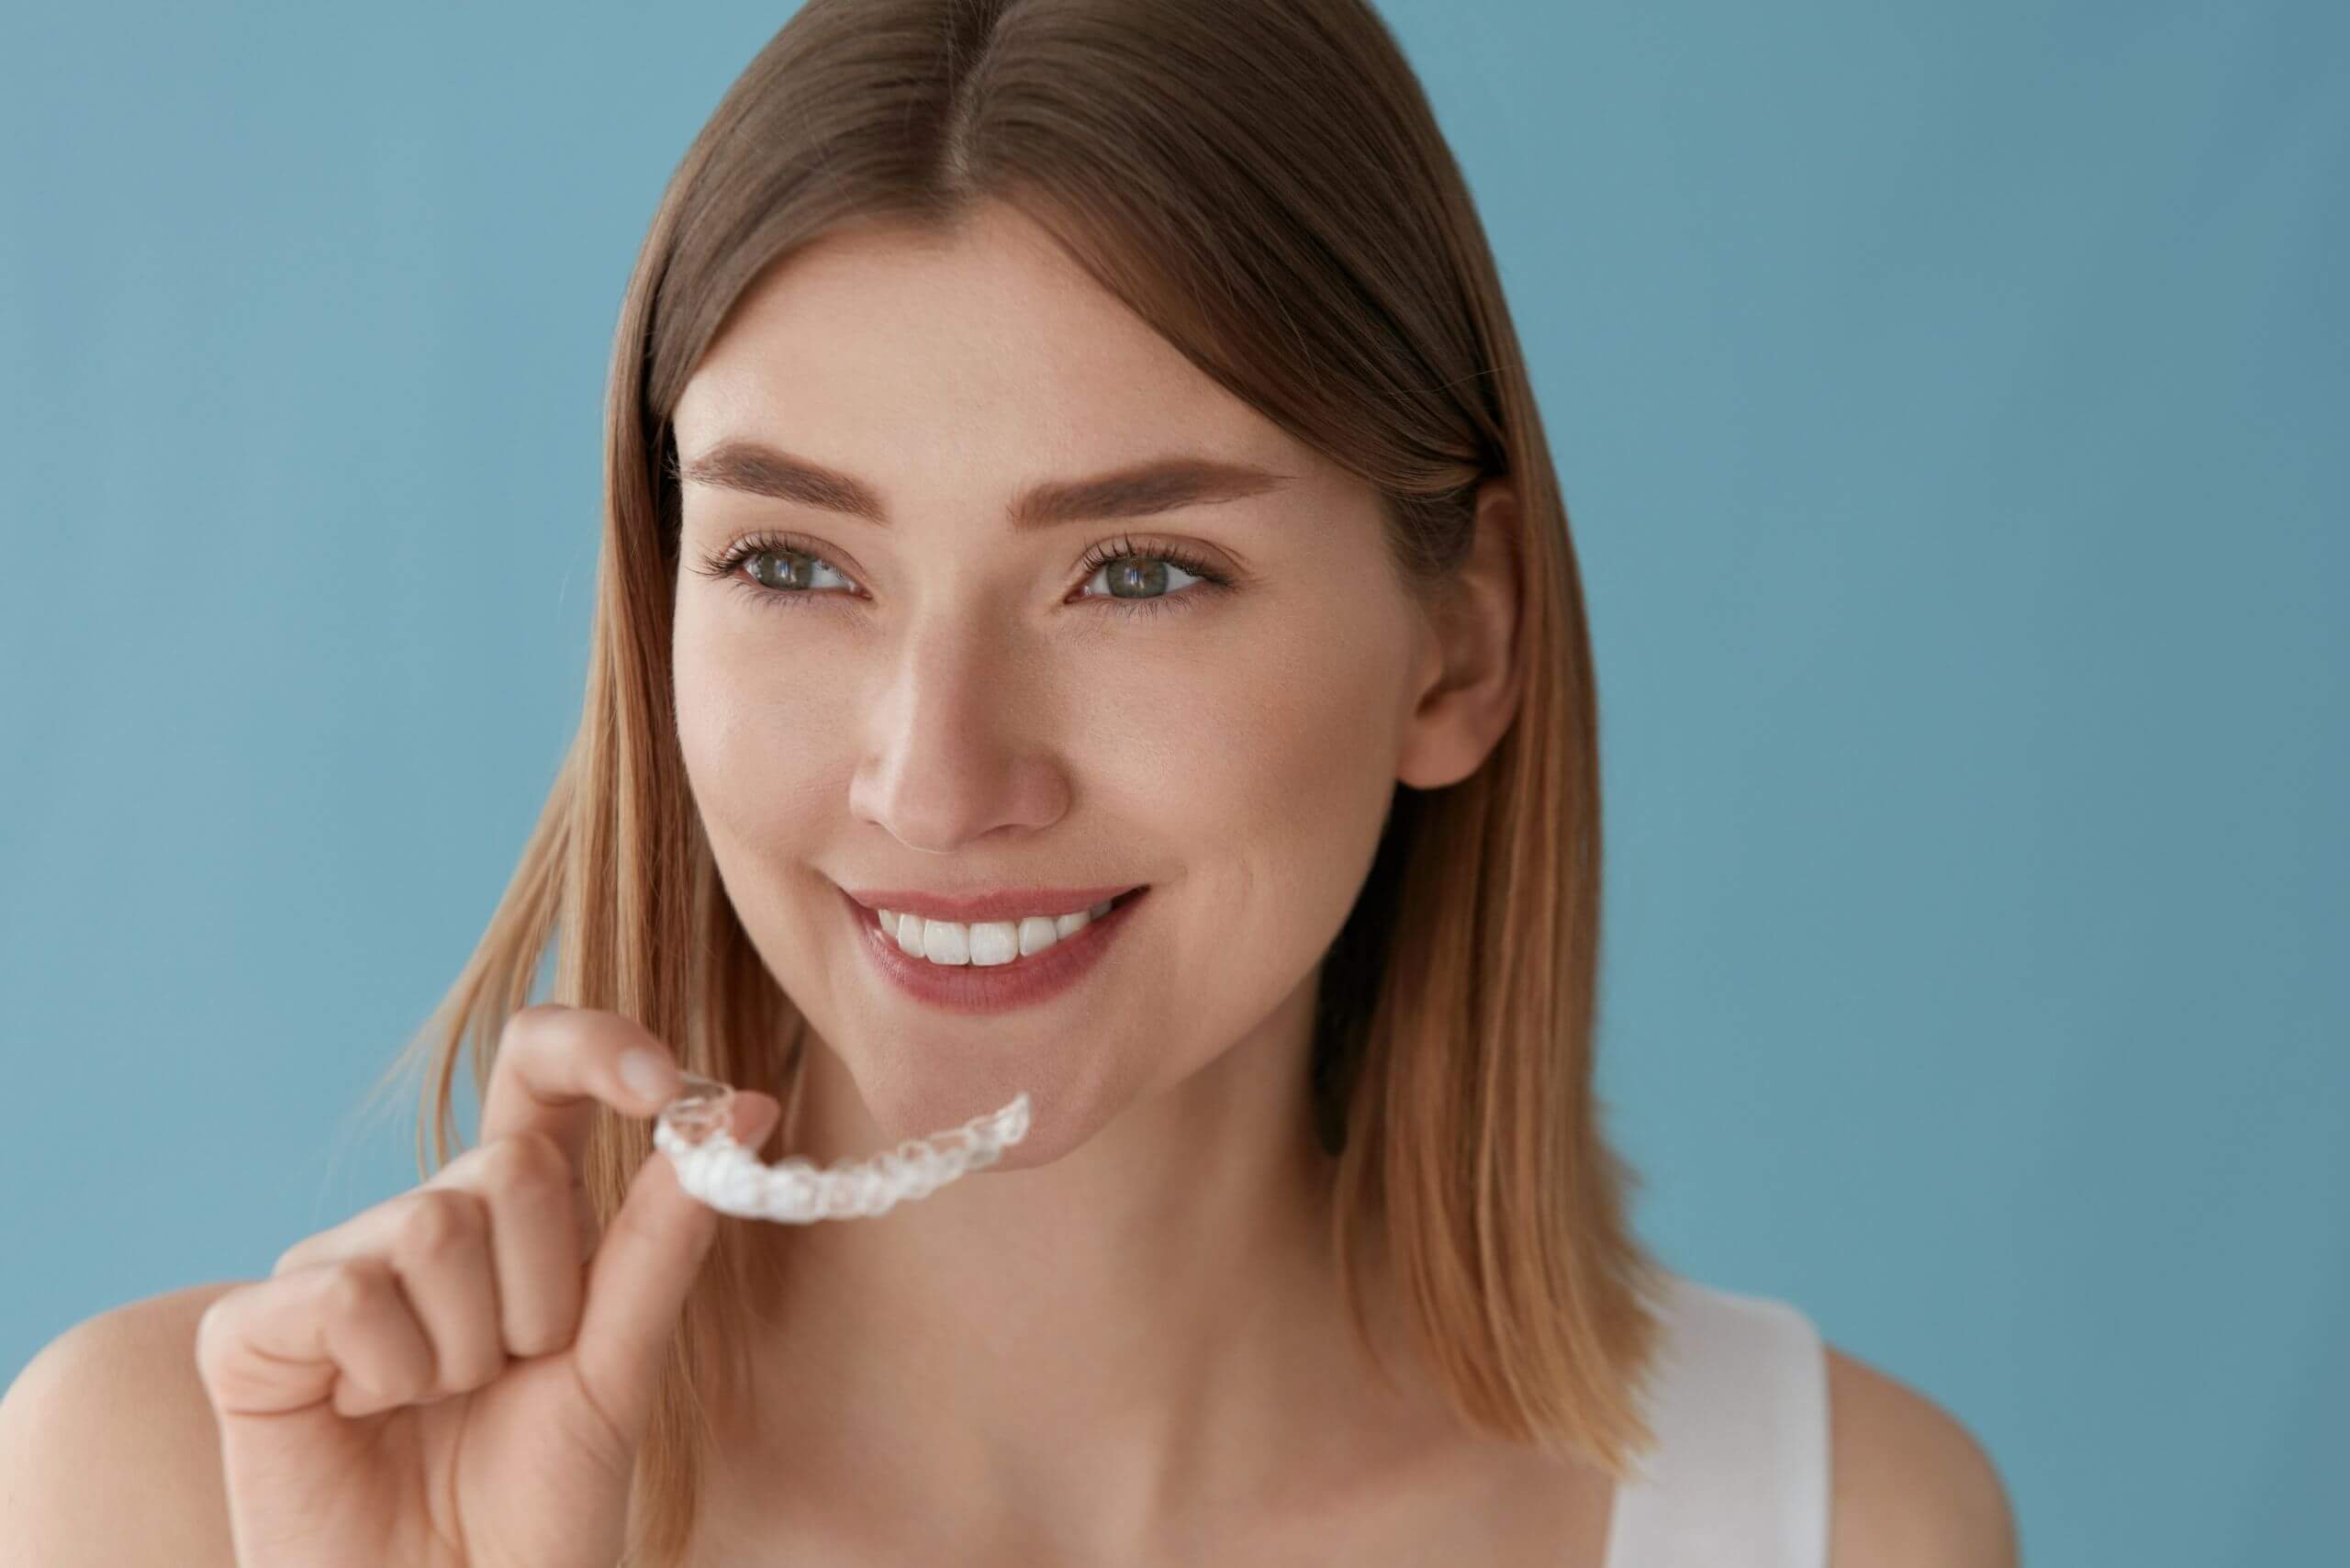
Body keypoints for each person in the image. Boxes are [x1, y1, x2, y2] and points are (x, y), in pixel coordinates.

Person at [0, 0, 2020, 1562]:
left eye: (1136, 570)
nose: (934, 774)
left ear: (1458, 643)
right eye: (795, 561)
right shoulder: (177, 1491)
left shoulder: (1833, 1525)